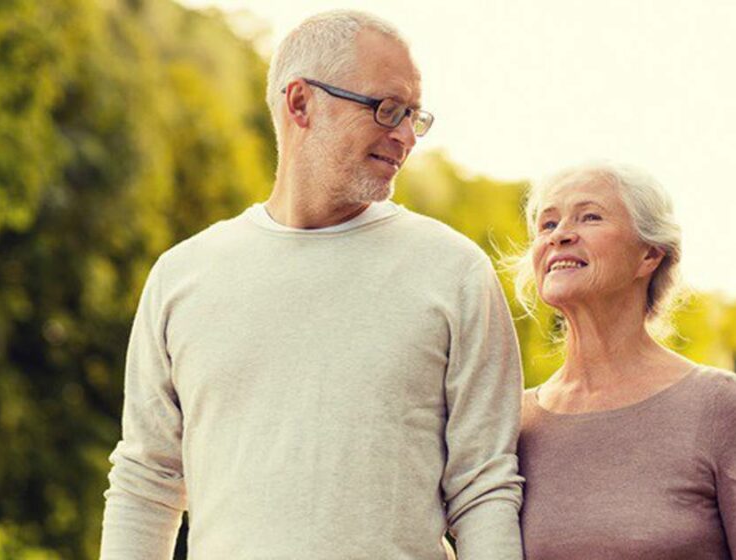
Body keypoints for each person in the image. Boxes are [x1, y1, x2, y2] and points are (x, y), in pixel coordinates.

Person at [100, 10, 524, 560]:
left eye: (414, 116)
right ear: (301, 102)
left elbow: (483, 487)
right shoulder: (182, 276)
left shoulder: (454, 271)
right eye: (386, 109)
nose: (404, 137)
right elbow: (147, 480)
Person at [513, 162, 736, 559]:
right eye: (547, 225)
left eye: (590, 216)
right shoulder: (513, 422)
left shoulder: (719, 405)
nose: (560, 235)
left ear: (649, 254)